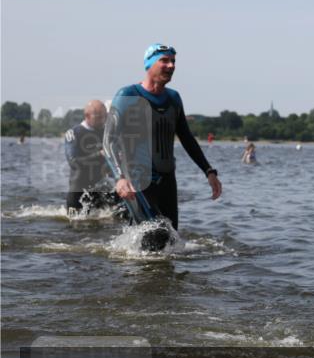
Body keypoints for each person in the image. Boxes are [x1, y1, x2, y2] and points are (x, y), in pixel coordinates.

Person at [104, 43, 222, 230]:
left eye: (173, 61)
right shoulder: (127, 95)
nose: (171, 66)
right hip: (138, 182)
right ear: (149, 64)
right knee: (151, 240)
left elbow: (187, 138)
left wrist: (209, 171)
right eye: (164, 61)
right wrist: (119, 177)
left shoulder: (174, 98)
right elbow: (108, 141)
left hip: (168, 182)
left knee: (170, 243)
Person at [64, 100, 115, 213]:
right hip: (78, 191)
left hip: (101, 188)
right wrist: (99, 154)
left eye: (105, 116)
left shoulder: (106, 132)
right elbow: (73, 162)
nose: (103, 120)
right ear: (87, 116)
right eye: (99, 117)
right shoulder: (75, 133)